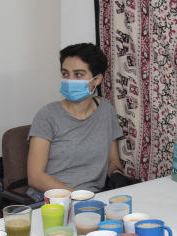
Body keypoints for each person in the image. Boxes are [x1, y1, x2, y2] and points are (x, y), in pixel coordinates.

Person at [27, 43, 130, 199]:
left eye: (79, 74)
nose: (70, 80)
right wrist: (80, 197)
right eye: (65, 74)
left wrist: (116, 174)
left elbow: (112, 159)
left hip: (95, 198)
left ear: (97, 79)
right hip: (52, 201)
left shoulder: (106, 110)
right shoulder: (47, 115)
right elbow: (35, 177)